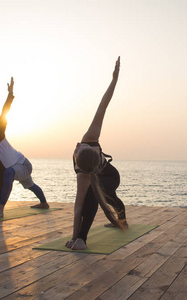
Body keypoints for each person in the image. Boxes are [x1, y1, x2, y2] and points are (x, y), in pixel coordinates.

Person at [65, 57, 127, 250]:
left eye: (78, 147)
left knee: (98, 195)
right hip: (100, 177)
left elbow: (103, 105)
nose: (77, 144)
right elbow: (78, 208)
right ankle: (119, 218)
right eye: (78, 147)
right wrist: (73, 237)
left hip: (111, 175)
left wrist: (77, 238)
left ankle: (86, 238)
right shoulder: (89, 144)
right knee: (98, 195)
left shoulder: (89, 143)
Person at [0, 77, 48, 218]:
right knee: (30, 185)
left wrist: (10, 96)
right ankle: (44, 203)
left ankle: (0, 210)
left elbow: (4, 113)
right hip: (16, 168)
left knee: (9, 173)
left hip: (23, 164)